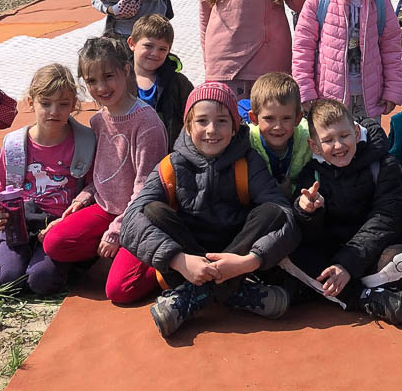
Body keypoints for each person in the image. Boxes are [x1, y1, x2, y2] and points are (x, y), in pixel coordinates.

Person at [119, 82, 300, 339]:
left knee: (273, 212)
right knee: (152, 211)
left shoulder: (248, 161)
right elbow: (130, 221)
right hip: (187, 260)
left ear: (235, 126)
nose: (212, 130)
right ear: (188, 125)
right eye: (202, 121)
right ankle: (236, 292)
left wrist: (249, 261)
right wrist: (179, 260)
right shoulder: (172, 165)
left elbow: (286, 217)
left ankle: (193, 296)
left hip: (235, 253)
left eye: (222, 121)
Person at [42, 37, 168, 304]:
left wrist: (116, 231)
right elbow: (101, 175)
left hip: (141, 216)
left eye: (108, 76)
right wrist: (83, 199)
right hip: (105, 208)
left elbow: (146, 190)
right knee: (54, 242)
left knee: (120, 291)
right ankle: (113, 255)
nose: (101, 87)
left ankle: (165, 267)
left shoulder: (147, 123)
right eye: (92, 81)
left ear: (126, 70)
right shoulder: (98, 120)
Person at [285, 99, 402, 324]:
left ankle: (321, 289)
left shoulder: (384, 164)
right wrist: (308, 211)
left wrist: (347, 265)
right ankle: (364, 296)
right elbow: (308, 233)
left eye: (344, 136)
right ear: (314, 146)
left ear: (356, 132)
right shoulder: (312, 173)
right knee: (285, 250)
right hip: (333, 254)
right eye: (328, 140)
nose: (338, 146)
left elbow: (386, 218)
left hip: (372, 253)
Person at [0, 64, 94, 294]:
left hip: (60, 225)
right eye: (45, 103)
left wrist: (72, 217)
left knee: (41, 281)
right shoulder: (15, 144)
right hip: (20, 221)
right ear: (30, 102)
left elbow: (93, 186)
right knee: (1, 281)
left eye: (63, 104)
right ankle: (1, 245)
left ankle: (54, 262)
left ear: (74, 104)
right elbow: (0, 188)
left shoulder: (85, 142)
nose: (54, 111)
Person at [292, 0, 402, 123]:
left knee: (369, 141)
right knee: (332, 141)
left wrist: (392, 89)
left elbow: (392, 49)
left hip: (370, 98)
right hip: (328, 97)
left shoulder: (380, 0)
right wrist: (305, 90)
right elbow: (303, 49)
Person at [127, 14, 194, 144]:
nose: (155, 53)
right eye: (148, 46)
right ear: (132, 43)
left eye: (162, 49)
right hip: (130, 149)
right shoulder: (120, 81)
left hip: (170, 151)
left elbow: (192, 119)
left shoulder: (178, 83)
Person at [246, 72, 312, 194]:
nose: (278, 127)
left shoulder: (309, 141)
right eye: (269, 118)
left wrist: (292, 192)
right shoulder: (246, 142)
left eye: (286, 118)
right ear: (254, 118)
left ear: (297, 119)